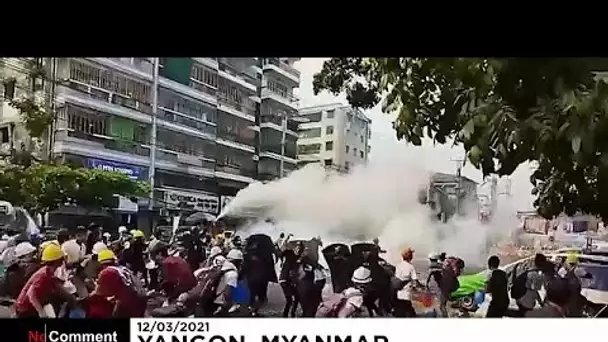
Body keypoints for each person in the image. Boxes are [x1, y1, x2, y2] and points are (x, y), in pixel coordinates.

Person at [14, 244, 76, 318]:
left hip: (33, 305)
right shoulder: (43, 275)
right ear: (57, 261)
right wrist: (41, 312)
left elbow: (57, 287)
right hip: (25, 308)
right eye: (61, 259)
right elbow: (31, 294)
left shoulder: (49, 273)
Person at [90, 249, 146, 317]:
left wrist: (83, 299)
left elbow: (98, 294)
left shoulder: (107, 272)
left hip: (128, 304)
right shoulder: (123, 269)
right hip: (141, 301)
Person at [213, 249, 243, 316]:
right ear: (236, 261)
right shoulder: (233, 274)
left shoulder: (222, 266)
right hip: (221, 303)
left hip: (212, 299)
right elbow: (227, 293)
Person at [394, 247, 420, 317]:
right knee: (408, 308)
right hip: (407, 291)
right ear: (410, 257)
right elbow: (415, 280)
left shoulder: (398, 265)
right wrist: (419, 288)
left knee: (402, 307)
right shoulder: (411, 267)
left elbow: (397, 277)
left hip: (399, 290)